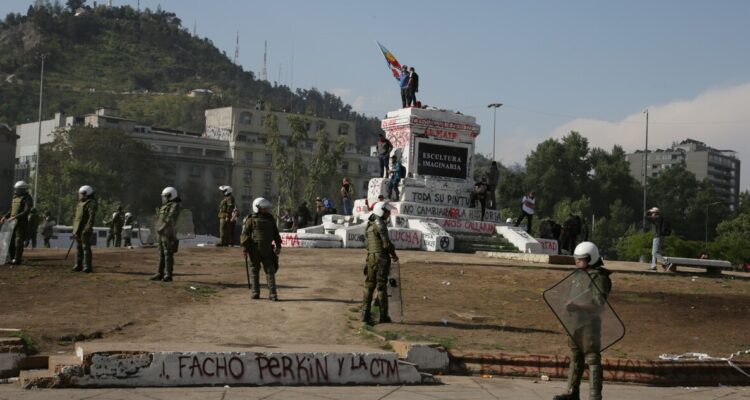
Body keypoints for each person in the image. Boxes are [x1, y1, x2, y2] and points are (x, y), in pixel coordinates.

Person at [553, 241, 611, 400]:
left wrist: (577, 305)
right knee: (575, 356)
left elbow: (598, 303)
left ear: (591, 258)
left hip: (589, 323)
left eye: (581, 259)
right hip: (574, 323)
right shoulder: (577, 275)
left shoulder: (599, 277)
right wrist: (567, 305)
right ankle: (571, 392)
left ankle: (595, 396)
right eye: (576, 258)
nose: (577, 261)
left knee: (592, 357)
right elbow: (568, 296)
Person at [361, 202, 399, 325]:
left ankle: (365, 315)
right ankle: (383, 316)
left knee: (369, 286)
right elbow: (386, 244)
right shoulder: (380, 225)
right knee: (381, 287)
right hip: (381, 258)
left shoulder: (369, 224)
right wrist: (394, 255)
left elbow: (368, 245)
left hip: (370, 258)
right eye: (386, 212)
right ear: (381, 211)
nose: (388, 214)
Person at [241, 197, 282, 301]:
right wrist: (245, 249)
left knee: (270, 271)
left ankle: (273, 294)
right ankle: (255, 292)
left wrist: (278, 246)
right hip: (254, 249)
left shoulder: (270, 219)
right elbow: (244, 235)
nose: (266, 209)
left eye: (266, 208)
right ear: (257, 208)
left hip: (267, 249)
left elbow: (276, 234)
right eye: (264, 208)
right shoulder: (250, 219)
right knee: (254, 270)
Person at [151, 187, 181, 282]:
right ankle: (159, 273)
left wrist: (162, 227)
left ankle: (168, 275)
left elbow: (169, 218)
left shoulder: (175, 205)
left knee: (168, 253)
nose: (164, 198)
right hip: (162, 232)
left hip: (169, 232)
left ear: (170, 196)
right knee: (161, 253)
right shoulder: (165, 206)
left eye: (165, 196)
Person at [1, 181, 33, 265]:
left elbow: (27, 211)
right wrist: (5, 216)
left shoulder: (27, 198)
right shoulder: (15, 197)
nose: (16, 190)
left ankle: (17, 259)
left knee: (19, 240)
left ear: (22, 189)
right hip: (12, 221)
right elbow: (12, 210)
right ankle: (12, 258)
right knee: (10, 240)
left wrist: (15, 217)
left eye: (17, 189)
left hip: (21, 222)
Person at [72, 185, 98, 273]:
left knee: (85, 247)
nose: (79, 195)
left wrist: (88, 228)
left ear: (86, 194)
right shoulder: (80, 203)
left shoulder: (91, 203)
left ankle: (87, 267)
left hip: (85, 229)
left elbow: (91, 217)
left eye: (81, 194)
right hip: (78, 229)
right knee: (79, 247)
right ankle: (78, 265)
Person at [645, 207, 664, 271]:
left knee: (655, 252)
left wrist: (648, 211)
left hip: (658, 236)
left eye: (652, 213)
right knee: (655, 252)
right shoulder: (658, 218)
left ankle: (666, 262)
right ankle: (654, 266)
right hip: (658, 236)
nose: (651, 214)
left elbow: (646, 217)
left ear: (655, 213)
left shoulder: (656, 218)